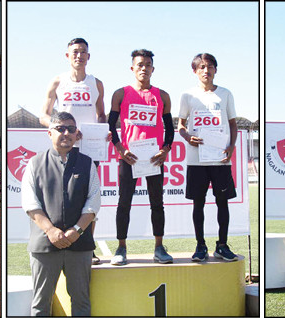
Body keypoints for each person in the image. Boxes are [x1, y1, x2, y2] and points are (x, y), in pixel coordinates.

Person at [22, 111, 100, 316]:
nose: (66, 133)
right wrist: (50, 230)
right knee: (41, 304)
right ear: (49, 133)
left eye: (71, 129)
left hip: (79, 245)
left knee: (82, 302)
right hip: (44, 245)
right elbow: (30, 203)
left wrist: (77, 230)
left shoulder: (87, 163)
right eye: (60, 129)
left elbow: (93, 202)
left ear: (77, 134)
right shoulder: (35, 163)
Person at [40, 37, 107, 265]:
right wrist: (65, 130)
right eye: (75, 52)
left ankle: (88, 247)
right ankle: (59, 241)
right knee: (62, 198)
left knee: (90, 198)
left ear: (89, 56)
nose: (79, 55)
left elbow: (101, 115)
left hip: (89, 151)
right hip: (63, 150)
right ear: (67, 56)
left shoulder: (96, 83)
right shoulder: (58, 82)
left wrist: (102, 131)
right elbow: (43, 115)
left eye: (83, 52)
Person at [107, 49, 174, 265]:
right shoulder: (121, 93)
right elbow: (111, 125)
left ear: (153, 69)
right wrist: (120, 148)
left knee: (157, 203)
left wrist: (165, 149)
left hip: (154, 158)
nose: (143, 68)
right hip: (129, 158)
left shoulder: (162, 95)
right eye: (139, 65)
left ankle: (159, 247)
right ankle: (121, 248)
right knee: (124, 202)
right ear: (132, 68)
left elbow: (170, 128)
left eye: (147, 65)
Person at [177, 53, 239, 262]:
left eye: (210, 66)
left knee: (223, 203)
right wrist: (187, 137)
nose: (206, 70)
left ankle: (222, 245)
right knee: (198, 203)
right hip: (197, 160)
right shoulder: (188, 95)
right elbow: (181, 125)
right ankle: (200, 245)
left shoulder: (225, 94)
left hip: (220, 158)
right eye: (202, 67)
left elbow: (232, 123)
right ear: (195, 71)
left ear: (215, 69)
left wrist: (231, 146)